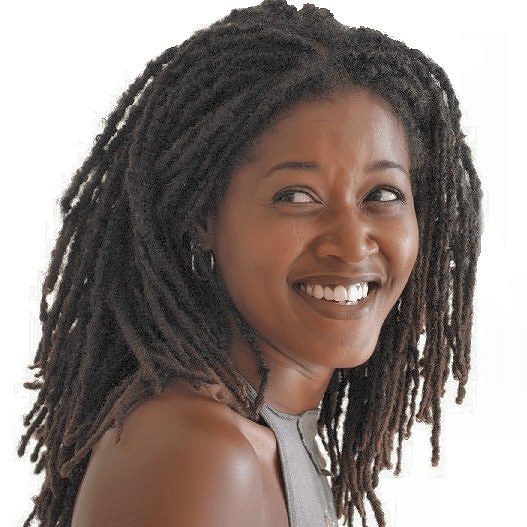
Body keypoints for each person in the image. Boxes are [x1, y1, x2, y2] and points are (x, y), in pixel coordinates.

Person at [18, 1, 482, 526]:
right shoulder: (201, 453)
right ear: (202, 216)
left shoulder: (268, 436)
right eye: (297, 195)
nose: (353, 246)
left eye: (382, 194)